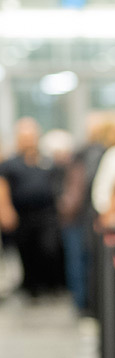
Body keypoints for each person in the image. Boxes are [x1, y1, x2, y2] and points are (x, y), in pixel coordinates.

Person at [0, 118, 63, 297]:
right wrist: (5, 210)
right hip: (22, 213)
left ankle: (48, 285)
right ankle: (31, 287)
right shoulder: (9, 164)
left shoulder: (46, 160)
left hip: (46, 213)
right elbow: (2, 187)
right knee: (26, 251)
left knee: (48, 248)